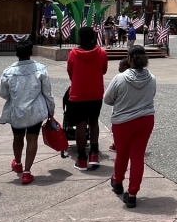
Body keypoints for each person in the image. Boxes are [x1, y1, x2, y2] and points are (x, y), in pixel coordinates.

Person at [104, 44, 157, 209]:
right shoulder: (152, 78)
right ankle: (132, 194)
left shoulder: (120, 78)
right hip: (145, 120)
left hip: (123, 121)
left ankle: (117, 182)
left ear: (129, 59)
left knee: (122, 154)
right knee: (137, 156)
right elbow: (152, 95)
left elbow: (107, 99)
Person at [0, 41, 55, 185]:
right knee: (32, 138)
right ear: (31, 52)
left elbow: (3, 93)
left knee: (17, 138)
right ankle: (27, 172)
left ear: (16, 53)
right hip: (35, 110)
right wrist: (51, 108)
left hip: (16, 110)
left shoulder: (8, 71)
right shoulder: (40, 69)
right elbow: (47, 92)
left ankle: (17, 163)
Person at [67, 26, 108, 170]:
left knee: (80, 124)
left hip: (78, 94)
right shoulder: (102, 53)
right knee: (94, 122)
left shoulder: (73, 53)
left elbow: (70, 72)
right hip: (95, 93)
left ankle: (81, 157)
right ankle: (94, 154)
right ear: (93, 38)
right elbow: (103, 70)